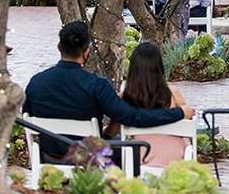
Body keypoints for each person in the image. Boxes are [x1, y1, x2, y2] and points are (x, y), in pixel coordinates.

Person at [23, 21, 193, 161]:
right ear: (86, 51)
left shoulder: (36, 83)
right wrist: (178, 113)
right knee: (128, 150)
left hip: (48, 157)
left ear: (59, 47)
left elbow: (28, 117)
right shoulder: (97, 85)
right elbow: (133, 117)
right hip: (89, 159)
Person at [109, 42, 192, 169]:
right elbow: (188, 121)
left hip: (139, 158)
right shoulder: (173, 94)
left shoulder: (123, 98)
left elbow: (112, 131)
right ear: (159, 68)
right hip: (176, 158)